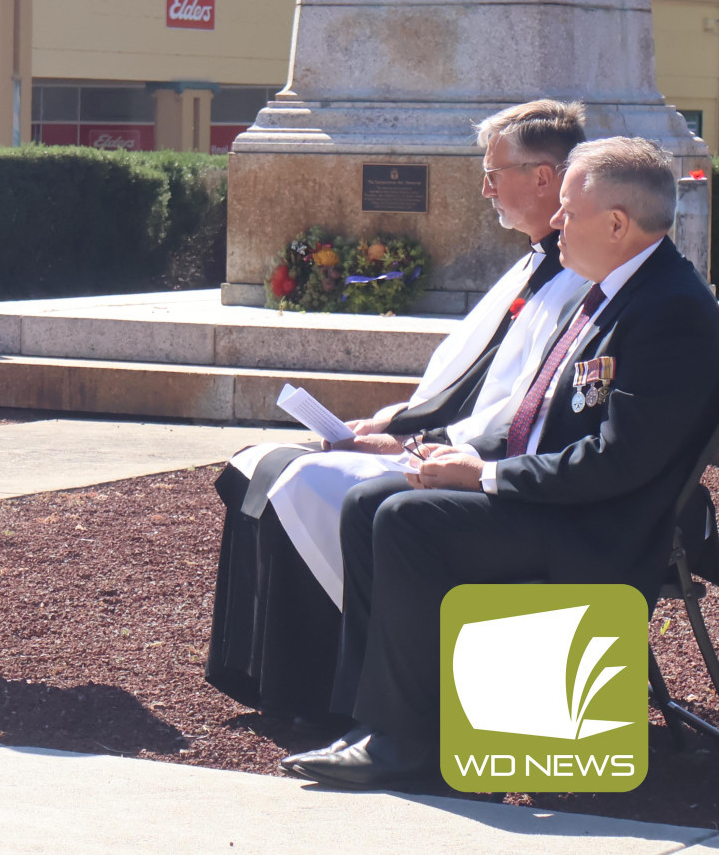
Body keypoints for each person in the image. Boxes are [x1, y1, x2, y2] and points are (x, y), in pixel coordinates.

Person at [283, 136, 719, 788]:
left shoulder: (673, 309)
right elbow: (545, 415)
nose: (557, 225)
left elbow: (618, 460)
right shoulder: (610, 289)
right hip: (560, 501)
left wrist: (483, 476)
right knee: (368, 502)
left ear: (618, 223)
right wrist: (465, 453)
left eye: (568, 212)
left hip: (603, 526)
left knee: (408, 521)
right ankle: (374, 720)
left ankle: (409, 744)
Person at [207, 100, 589, 721]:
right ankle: (272, 678)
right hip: (448, 442)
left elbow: (517, 409)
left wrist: (413, 441)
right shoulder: (533, 262)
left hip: (481, 467)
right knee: (261, 465)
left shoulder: (576, 277)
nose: (485, 186)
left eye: (495, 171)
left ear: (543, 176)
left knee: (303, 479)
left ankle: (319, 693)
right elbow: (476, 374)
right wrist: (396, 418)